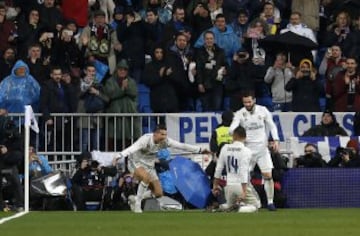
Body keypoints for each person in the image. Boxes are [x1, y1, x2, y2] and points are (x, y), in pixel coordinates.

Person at [116, 124, 211, 213]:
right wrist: (120, 155)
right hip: (135, 162)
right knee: (146, 177)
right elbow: (132, 148)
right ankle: (137, 205)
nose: (164, 137)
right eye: (162, 134)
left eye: (165, 134)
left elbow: (182, 146)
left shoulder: (166, 142)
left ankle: (136, 198)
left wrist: (199, 150)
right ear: (155, 134)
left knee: (158, 193)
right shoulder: (145, 139)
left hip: (149, 165)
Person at [229, 90, 279, 211]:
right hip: (247, 151)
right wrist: (233, 133)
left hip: (262, 149)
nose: (247, 104)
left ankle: (270, 202)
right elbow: (232, 128)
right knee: (244, 177)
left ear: (254, 100)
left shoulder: (263, 110)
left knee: (267, 175)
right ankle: (250, 200)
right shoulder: (240, 114)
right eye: (245, 102)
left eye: (249, 102)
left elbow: (272, 125)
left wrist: (276, 140)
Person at [213, 125, 261, 213]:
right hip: (240, 185)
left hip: (228, 187)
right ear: (245, 137)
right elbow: (243, 171)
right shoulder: (246, 151)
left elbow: (218, 169)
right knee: (256, 206)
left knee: (229, 205)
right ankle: (239, 208)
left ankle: (222, 207)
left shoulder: (224, 148)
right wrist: (244, 191)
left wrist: (215, 186)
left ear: (233, 136)